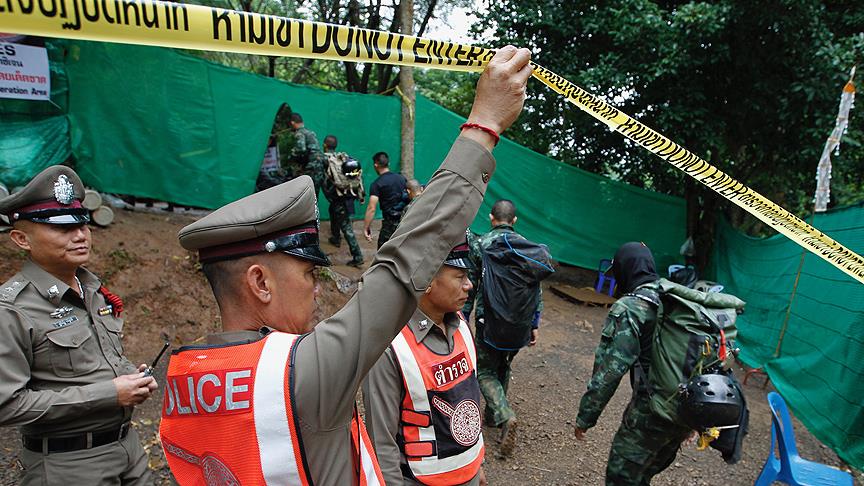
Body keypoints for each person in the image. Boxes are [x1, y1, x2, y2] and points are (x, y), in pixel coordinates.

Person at [159, 45, 533, 485]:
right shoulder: (301, 372)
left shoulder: (185, 380)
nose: (317, 289)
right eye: (307, 273)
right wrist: (484, 124)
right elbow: (400, 267)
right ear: (260, 282)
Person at [0, 166, 158, 486]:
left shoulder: (92, 290)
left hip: (127, 449)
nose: (80, 235)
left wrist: (129, 377)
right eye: (61, 228)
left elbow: (90, 362)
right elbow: (7, 406)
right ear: (21, 238)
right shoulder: (12, 309)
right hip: (68, 466)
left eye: (82, 223)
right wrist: (109, 393)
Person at [363, 242, 487, 485]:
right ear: (426, 280)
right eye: (459, 276)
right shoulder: (389, 346)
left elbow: (469, 399)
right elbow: (381, 441)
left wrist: (476, 467)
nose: (468, 285)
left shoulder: (460, 324)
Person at [574, 242, 692, 485]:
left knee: (620, 478)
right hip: (685, 412)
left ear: (625, 270)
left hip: (651, 412)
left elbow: (610, 371)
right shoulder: (676, 298)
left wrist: (586, 417)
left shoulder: (631, 307)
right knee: (642, 475)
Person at [461, 199, 544, 458]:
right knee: (504, 365)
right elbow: (536, 289)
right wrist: (534, 324)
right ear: (515, 221)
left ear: (491, 218)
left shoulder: (481, 244)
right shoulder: (527, 247)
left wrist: (463, 318)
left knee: (484, 370)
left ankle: (505, 414)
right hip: (519, 323)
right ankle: (492, 416)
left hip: (490, 321)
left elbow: (470, 283)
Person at [321, 134, 365, 267]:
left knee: (346, 227)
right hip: (344, 196)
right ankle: (335, 238)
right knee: (332, 211)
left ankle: (358, 256)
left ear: (325, 145)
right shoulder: (343, 158)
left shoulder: (324, 159)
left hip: (338, 197)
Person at [363, 151, 408, 248]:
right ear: (388, 163)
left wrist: (366, 227)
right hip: (405, 222)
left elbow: (371, 208)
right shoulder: (402, 178)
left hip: (389, 224)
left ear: (375, 165)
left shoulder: (377, 184)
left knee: (383, 253)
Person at [288, 112, 326, 197]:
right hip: (319, 165)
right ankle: (314, 210)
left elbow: (301, 149)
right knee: (315, 194)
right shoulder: (310, 132)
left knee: (307, 195)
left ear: (292, 123)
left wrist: (291, 156)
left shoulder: (300, 133)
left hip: (311, 166)